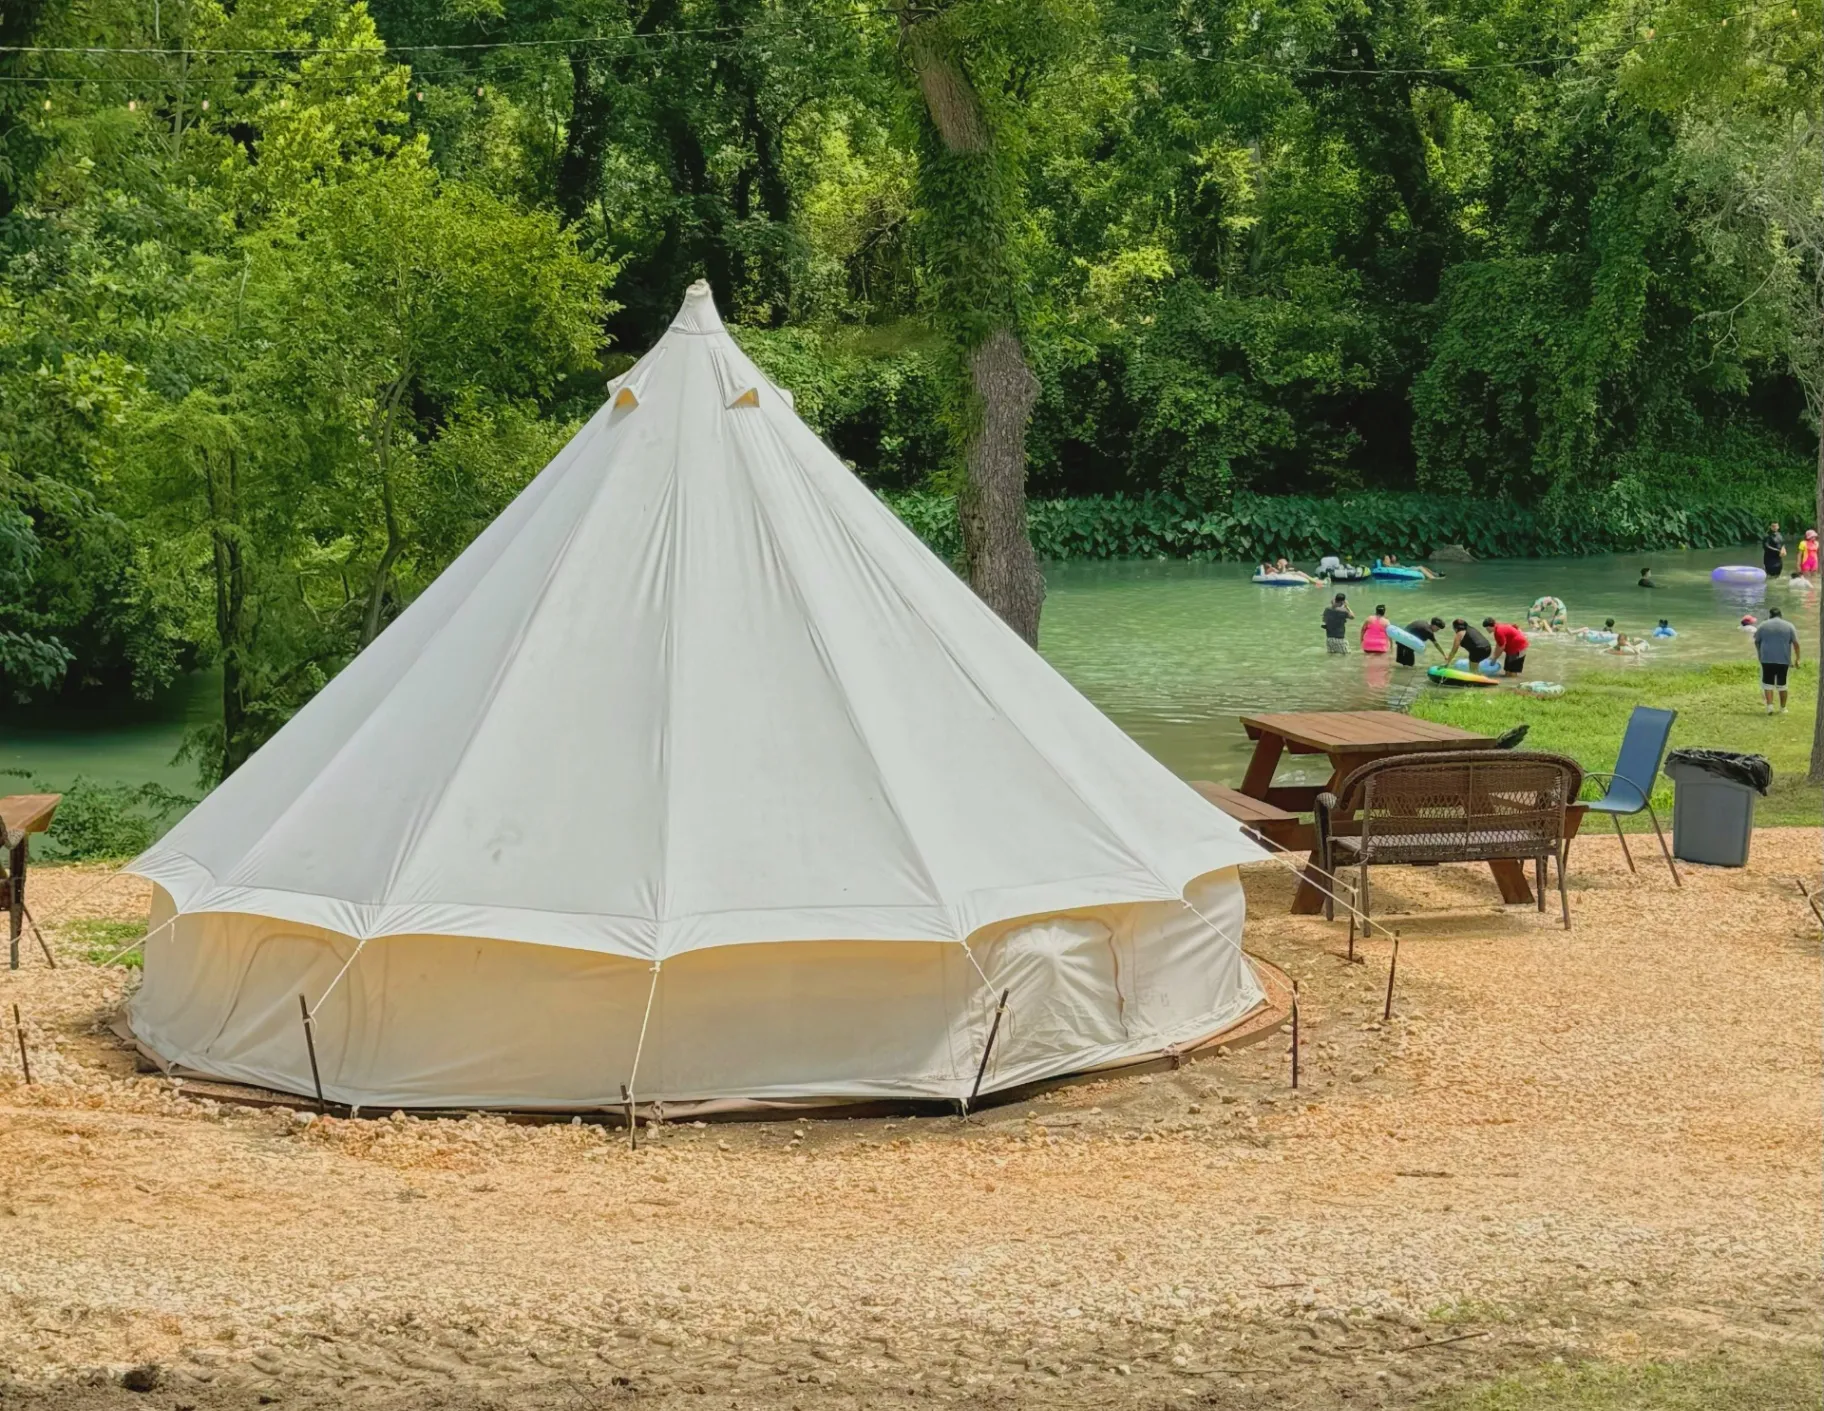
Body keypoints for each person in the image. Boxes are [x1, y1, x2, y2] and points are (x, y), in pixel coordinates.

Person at [1752, 605, 1801, 713]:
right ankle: (1783, 708)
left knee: (1767, 683)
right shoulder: (1789, 626)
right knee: (1782, 685)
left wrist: (1760, 653)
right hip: (1783, 660)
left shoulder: (1763, 625)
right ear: (1781, 616)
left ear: (1770, 615)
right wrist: (1797, 659)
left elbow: (1756, 641)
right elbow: (1796, 643)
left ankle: (1770, 707)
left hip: (1767, 659)